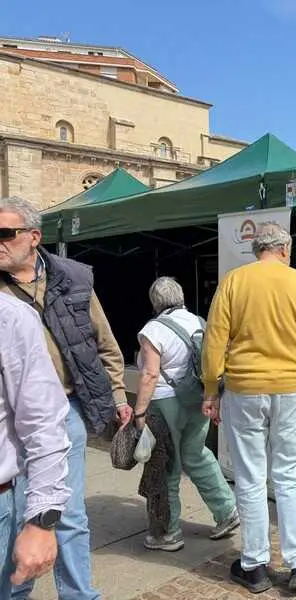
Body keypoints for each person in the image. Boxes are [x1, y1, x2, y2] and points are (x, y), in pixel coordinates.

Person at [0, 196, 131, 600]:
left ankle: (78, 594)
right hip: (9, 415)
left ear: (33, 236)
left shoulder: (73, 278)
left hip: (65, 408)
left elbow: (105, 343)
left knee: (66, 512)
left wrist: (118, 394)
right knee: (17, 512)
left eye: (5, 233)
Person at [202, 222, 296, 594]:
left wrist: (211, 389)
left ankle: (255, 565)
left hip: (244, 388)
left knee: (249, 476)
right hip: (292, 387)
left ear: (256, 248)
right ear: (285, 249)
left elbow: (215, 339)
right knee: (289, 476)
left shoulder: (234, 282)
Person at [132, 277, 239, 551]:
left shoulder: (152, 329)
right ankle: (227, 511)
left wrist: (139, 412)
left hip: (165, 403)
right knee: (197, 454)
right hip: (198, 398)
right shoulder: (199, 322)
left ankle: (168, 532)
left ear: (155, 301)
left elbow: (150, 373)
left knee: (166, 466)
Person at [1, 294, 72, 598]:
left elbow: (44, 421)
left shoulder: (11, 317)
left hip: (64, 406)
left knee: (75, 522)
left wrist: (43, 520)